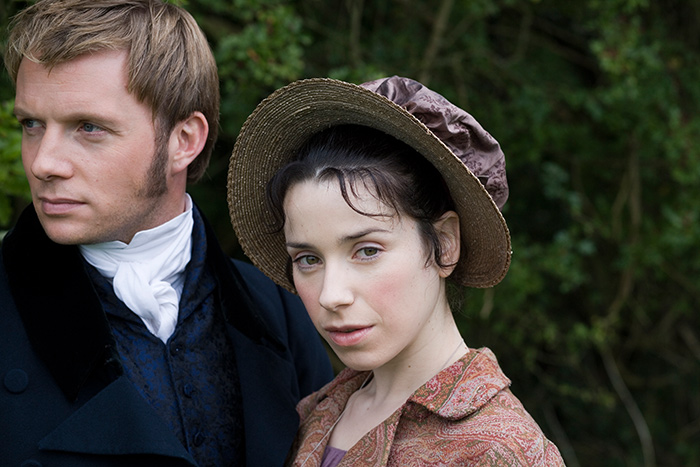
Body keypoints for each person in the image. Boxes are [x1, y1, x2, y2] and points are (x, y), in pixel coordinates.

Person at [0, 1, 333, 465]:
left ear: (184, 141)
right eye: (32, 125)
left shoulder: (277, 308)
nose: (43, 163)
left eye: (88, 127)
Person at [227, 76, 565, 466]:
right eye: (308, 259)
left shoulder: (501, 451)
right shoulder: (313, 414)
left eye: (367, 251)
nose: (331, 295)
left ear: (445, 244)